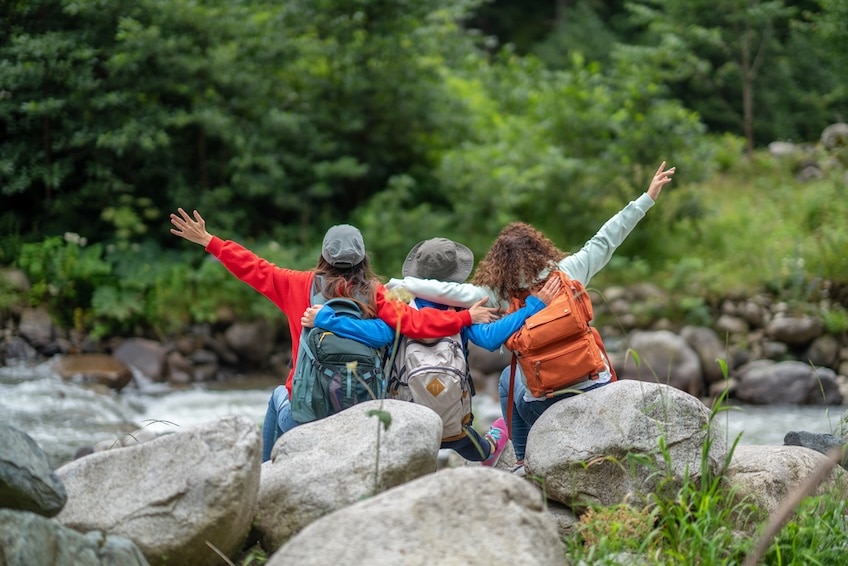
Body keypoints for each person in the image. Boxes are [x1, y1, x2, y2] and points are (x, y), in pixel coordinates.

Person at [383, 161, 676, 475]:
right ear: (540, 249)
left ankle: (522, 461)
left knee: (508, 380)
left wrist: (398, 284)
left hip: (539, 400)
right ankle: (527, 456)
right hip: (596, 381)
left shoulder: (495, 293)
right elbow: (605, 240)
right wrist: (646, 197)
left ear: (498, 263)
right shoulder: (567, 273)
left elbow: (449, 292)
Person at [168, 209, 499, 461]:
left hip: (303, 416)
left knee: (275, 398)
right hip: (362, 416)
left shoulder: (297, 284)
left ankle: (268, 476)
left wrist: (211, 242)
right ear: (362, 258)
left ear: (323, 257)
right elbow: (415, 323)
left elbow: (253, 267)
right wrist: (467, 316)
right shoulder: (375, 292)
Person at [301, 237, 562, 466]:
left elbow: (377, 334)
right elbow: (491, 339)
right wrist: (532, 307)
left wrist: (328, 319)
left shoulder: (399, 300)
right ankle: (492, 445)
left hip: (405, 423)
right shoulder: (461, 309)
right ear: (455, 277)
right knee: (481, 448)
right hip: (453, 428)